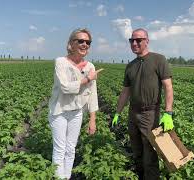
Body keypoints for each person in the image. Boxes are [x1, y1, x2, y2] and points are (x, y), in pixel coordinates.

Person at [111, 28, 174, 180]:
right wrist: (118, 112)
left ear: (147, 41)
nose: (134, 43)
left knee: (150, 153)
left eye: (138, 40)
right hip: (133, 113)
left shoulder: (158, 60)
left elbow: (168, 86)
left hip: (149, 114)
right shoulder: (130, 66)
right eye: (131, 40)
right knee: (137, 151)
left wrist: (168, 113)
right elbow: (125, 92)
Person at [48, 28, 103, 179]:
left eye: (88, 42)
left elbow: (92, 95)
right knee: (59, 149)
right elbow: (65, 87)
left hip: (77, 112)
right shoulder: (61, 62)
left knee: (70, 149)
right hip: (59, 111)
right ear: (71, 44)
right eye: (80, 41)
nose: (85, 44)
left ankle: (67, 176)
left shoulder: (90, 67)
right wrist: (87, 79)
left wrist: (92, 120)